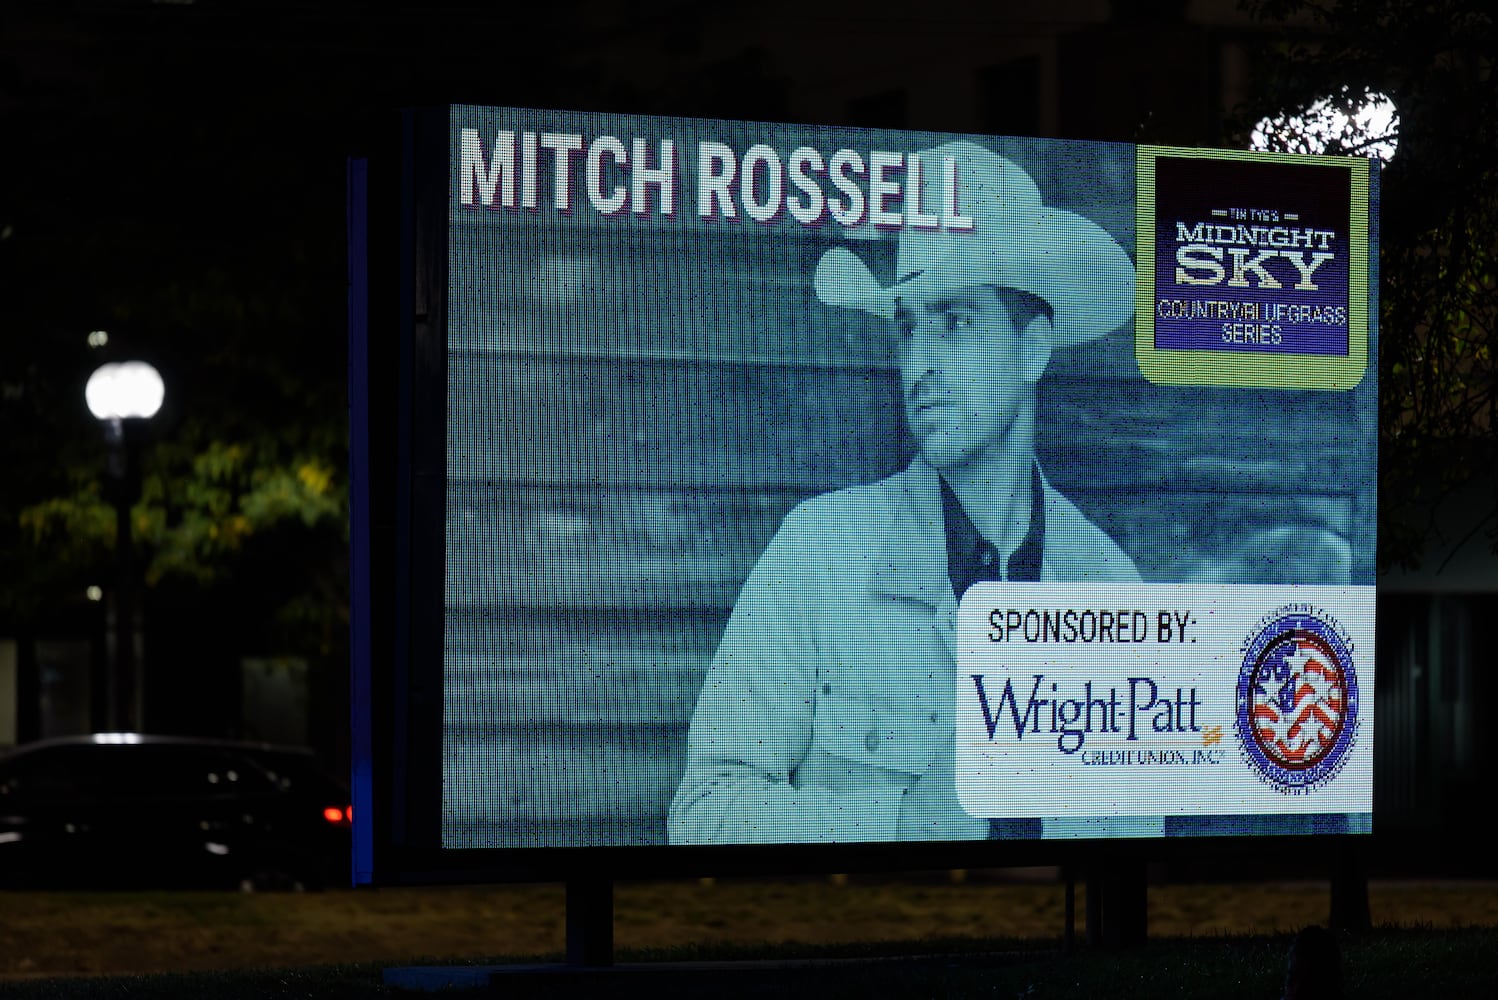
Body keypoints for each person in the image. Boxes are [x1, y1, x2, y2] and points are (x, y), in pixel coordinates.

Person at [668, 141, 1142, 845]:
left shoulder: (1108, 587)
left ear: (1033, 349)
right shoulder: (820, 553)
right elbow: (703, 814)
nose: (921, 364)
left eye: (956, 323)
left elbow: (1131, 837)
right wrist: (894, 822)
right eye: (908, 328)